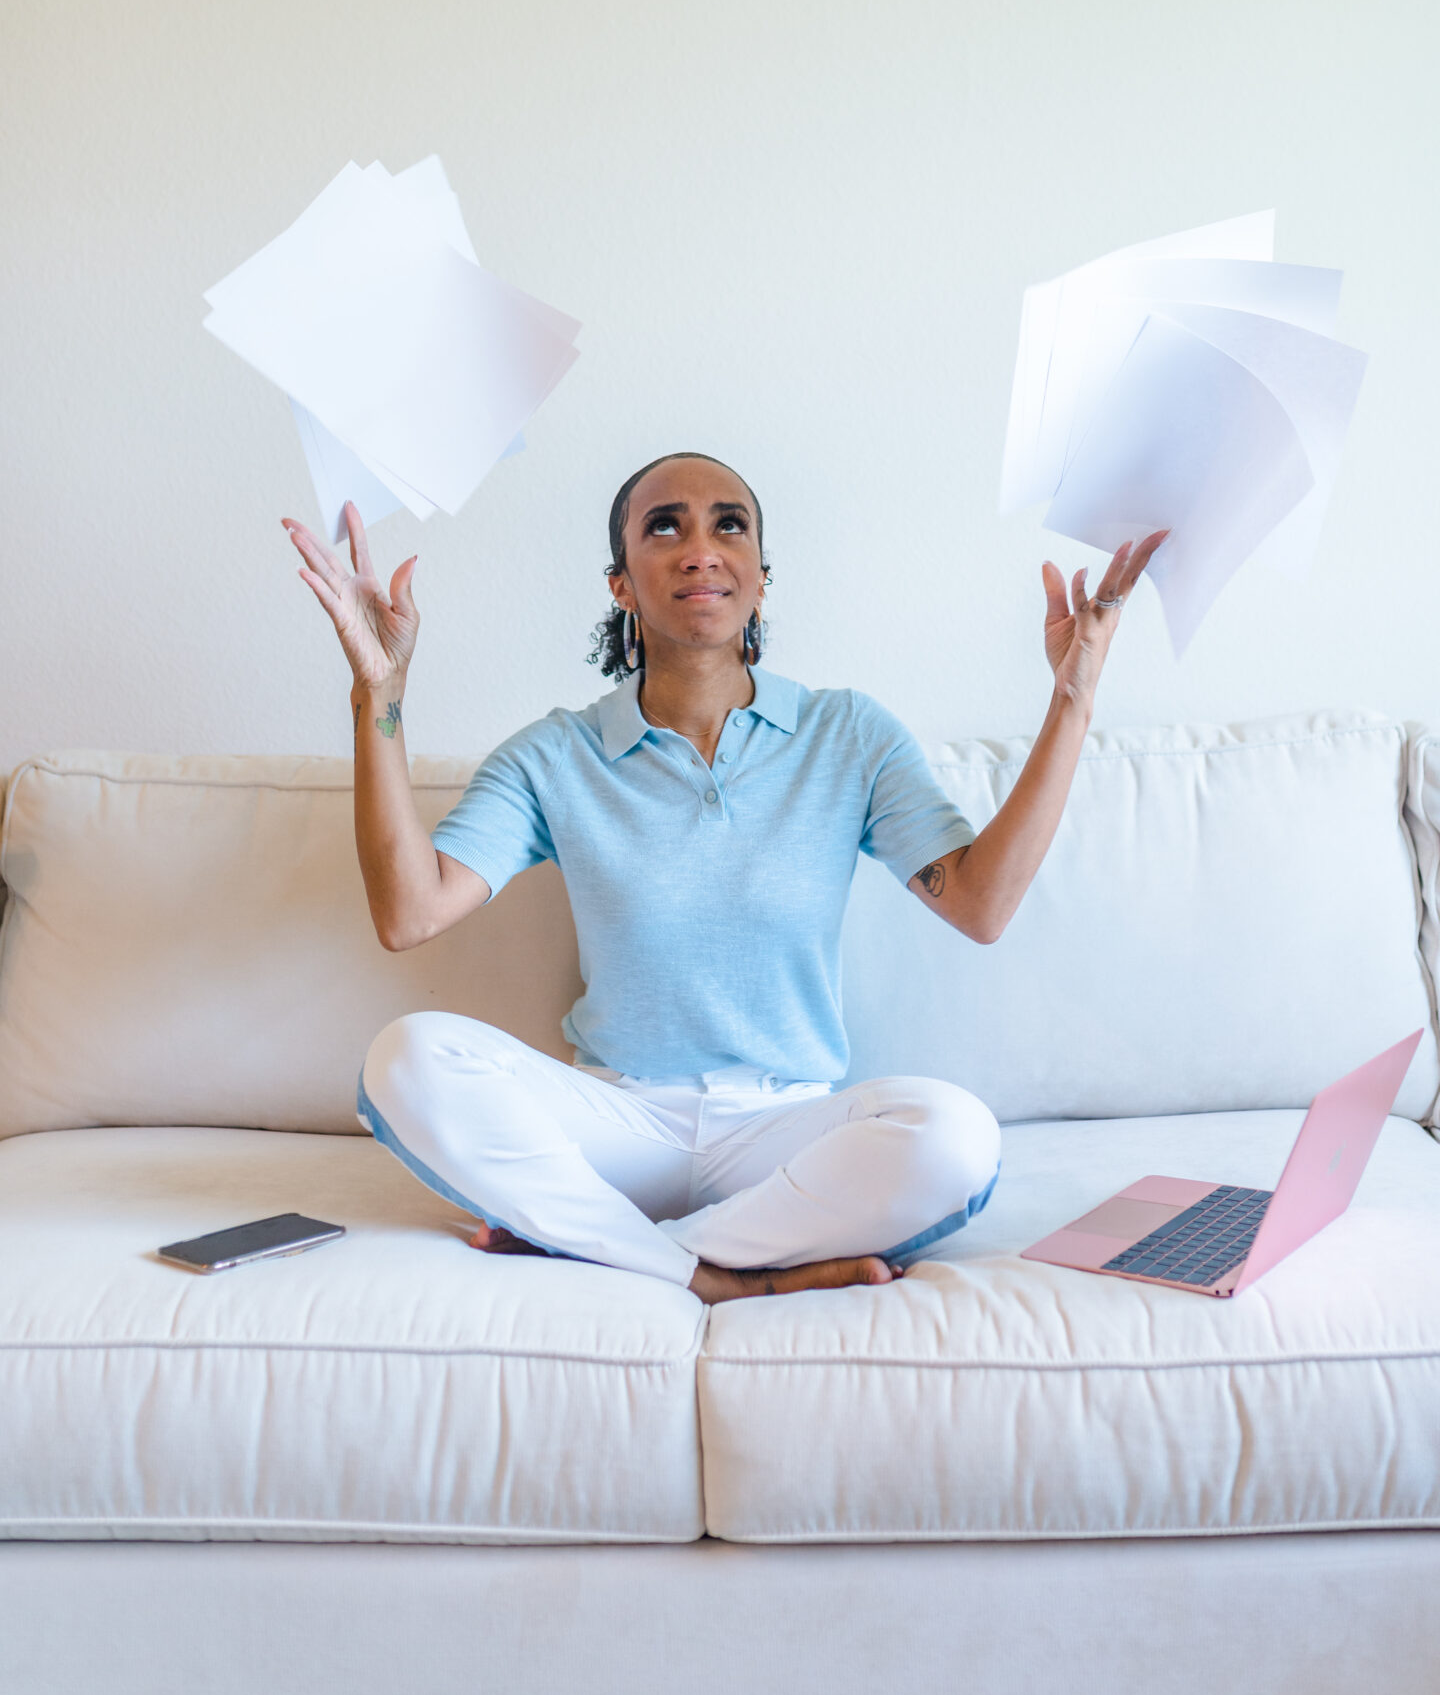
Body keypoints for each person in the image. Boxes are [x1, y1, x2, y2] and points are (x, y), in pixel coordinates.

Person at [283, 453, 1163, 1303]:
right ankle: (720, 1275)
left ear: (760, 575)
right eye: (664, 527)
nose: (699, 547)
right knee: (411, 1055)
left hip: (784, 1133)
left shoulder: (847, 735)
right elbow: (410, 914)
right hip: (617, 1124)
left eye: (728, 525)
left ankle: (607, 1249)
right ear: (621, 584)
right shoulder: (558, 753)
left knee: (955, 1137)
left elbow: (981, 904)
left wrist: (1073, 696)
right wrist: (379, 696)